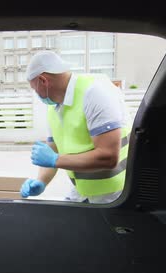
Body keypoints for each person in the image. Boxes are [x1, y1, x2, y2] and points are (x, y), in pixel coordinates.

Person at [20, 51, 130, 204]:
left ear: (43, 80)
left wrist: (55, 159)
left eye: (34, 88)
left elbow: (108, 157)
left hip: (112, 195)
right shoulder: (55, 107)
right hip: (81, 190)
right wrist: (41, 181)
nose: (36, 94)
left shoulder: (95, 93)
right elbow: (53, 151)